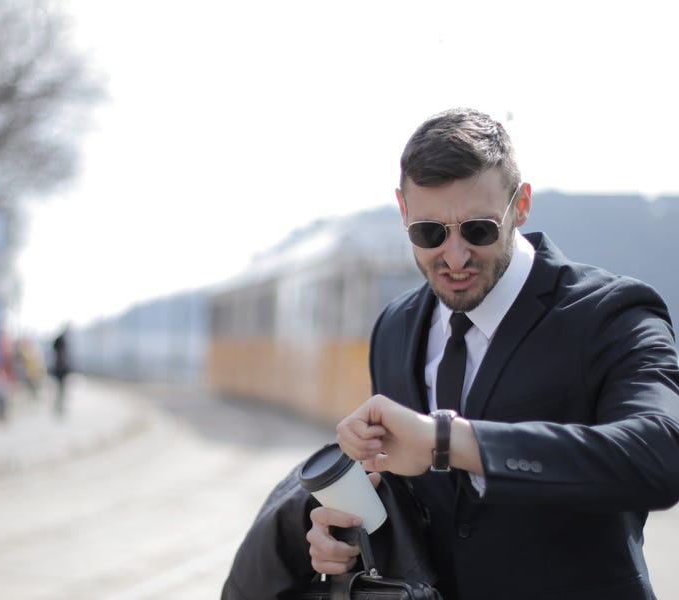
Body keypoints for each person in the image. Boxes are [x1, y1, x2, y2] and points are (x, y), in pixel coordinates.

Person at [222, 108, 679, 600]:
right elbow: (412, 506)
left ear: (520, 205)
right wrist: (344, 535)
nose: (455, 256)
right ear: (402, 210)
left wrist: (448, 440)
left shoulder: (612, 313)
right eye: (429, 233)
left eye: (478, 230)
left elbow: (660, 455)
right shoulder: (395, 327)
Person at [51, 326, 71, 415]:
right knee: (61, 389)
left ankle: (58, 406)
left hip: (59, 369)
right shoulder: (62, 341)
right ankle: (59, 406)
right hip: (61, 369)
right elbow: (61, 354)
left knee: (60, 389)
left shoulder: (58, 341)